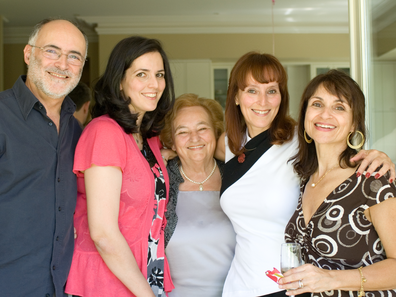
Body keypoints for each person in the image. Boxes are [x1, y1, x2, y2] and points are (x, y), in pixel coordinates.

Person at [217, 52, 395, 297]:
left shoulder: (303, 142)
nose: (262, 101)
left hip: (286, 288)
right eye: (251, 90)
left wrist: (380, 157)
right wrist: (165, 151)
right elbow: (191, 149)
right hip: (240, 286)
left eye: (271, 90)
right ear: (236, 96)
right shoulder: (227, 145)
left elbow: (337, 144)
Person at [65, 36, 175, 297]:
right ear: (120, 81)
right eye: (141, 74)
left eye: (159, 74)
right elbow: (103, 233)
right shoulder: (104, 132)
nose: (155, 84)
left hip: (145, 272)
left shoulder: (146, 138)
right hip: (106, 281)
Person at [280, 70, 396, 297]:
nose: (325, 115)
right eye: (317, 104)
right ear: (305, 115)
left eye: (339, 107)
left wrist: (330, 279)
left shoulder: (372, 180)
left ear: (354, 124)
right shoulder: (306, 179)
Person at [0, 18, 87, 297]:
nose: (63, 64)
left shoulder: (76, 130)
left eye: (74, 56)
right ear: (28, 54)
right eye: (52, 51)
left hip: (61, 286)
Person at [161, 93, 236, 296]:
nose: (195, 138)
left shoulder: (237, 178)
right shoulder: (159, 182)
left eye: (202, 129)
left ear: (216, 132)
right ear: (171, 141)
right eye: (183, 132)